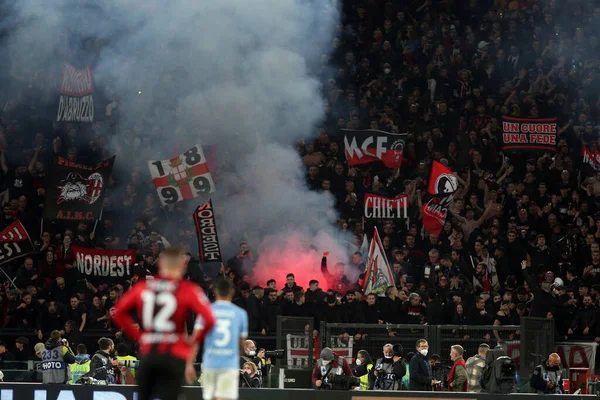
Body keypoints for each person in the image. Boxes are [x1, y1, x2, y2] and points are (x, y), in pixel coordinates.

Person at [112, 246, 216, 400]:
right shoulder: (188, 289)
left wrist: (140, 336)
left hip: (149, 353)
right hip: (174, 356)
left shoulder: (143, 287)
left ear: (160, 264)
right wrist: (191, 343)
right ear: (182, 266)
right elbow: (210, 319)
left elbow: (117, 312)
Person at [202, 278, 249, 400]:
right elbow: (242, 345)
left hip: (210, 362)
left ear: (215, 291)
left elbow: (197, 337)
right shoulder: (240, 313)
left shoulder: (206, 310)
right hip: (229, 364)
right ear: (232, 292)